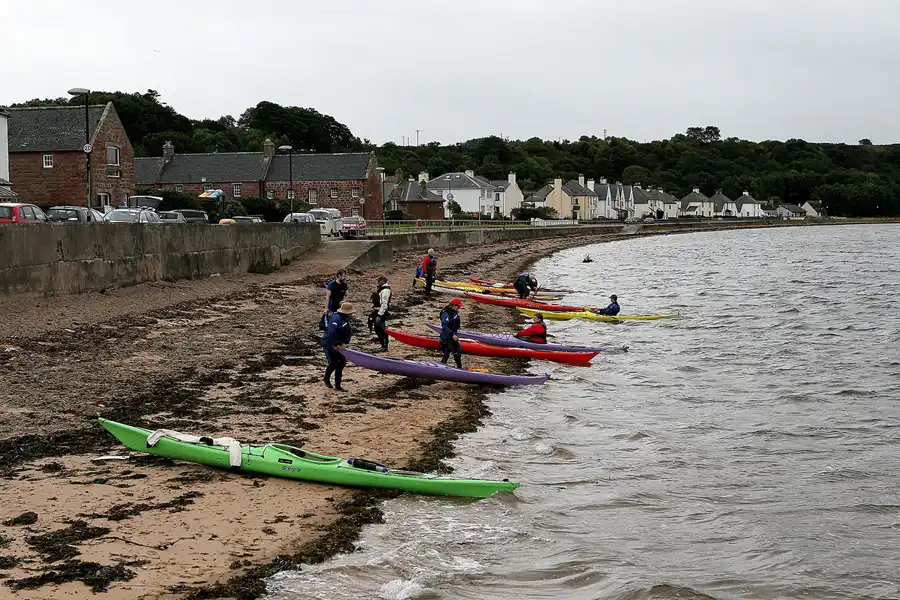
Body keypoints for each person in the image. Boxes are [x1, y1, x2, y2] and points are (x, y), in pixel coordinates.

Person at [323, 301, 354, 391]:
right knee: (335, 363)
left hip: (339, 344)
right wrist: (336, 344)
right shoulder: (336, 318)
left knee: (341, 363)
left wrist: (343, 343)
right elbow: (332, 333)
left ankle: (337, 385)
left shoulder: (344, 319)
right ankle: (326, 378)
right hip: (330, 343)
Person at [439, 298, 464, 369]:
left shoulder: (454, 313)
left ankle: (459, 369)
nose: (459, 307)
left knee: (458, 351)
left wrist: (455, 334)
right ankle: (440, 369)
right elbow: (444, 326)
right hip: (446, 338)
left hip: (452, 337)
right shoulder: (446, 314)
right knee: (450, 354)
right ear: (454, 305)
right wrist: (452, 334)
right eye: (458, 306)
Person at [372, 275, 392, 352]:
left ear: (382, 281)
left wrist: (379, 315)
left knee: (381, 328)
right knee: (378, 328)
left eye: (378, 281)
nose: (377, 282)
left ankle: (384, 346)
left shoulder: (385, 290)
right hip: (379, 310)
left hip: (381, 312)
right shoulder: (382, 289)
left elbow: (384, 304)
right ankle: (383, 344)